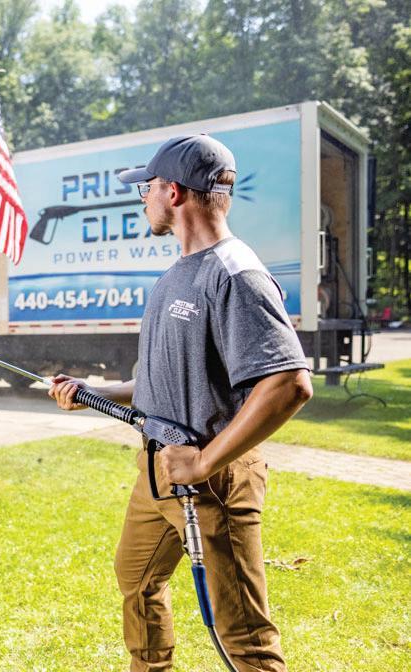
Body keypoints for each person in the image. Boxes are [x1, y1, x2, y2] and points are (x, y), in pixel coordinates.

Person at [49, 134, 313, 672]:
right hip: (158, 471)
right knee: (138, 580)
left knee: (242, 633)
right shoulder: (175, 276)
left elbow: (288, 382)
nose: (142, 198)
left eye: (146, 187)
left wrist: (205, 461)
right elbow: (162, 381)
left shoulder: (236, 273)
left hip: (212, 477)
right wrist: (93, 393)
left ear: (173, 192)